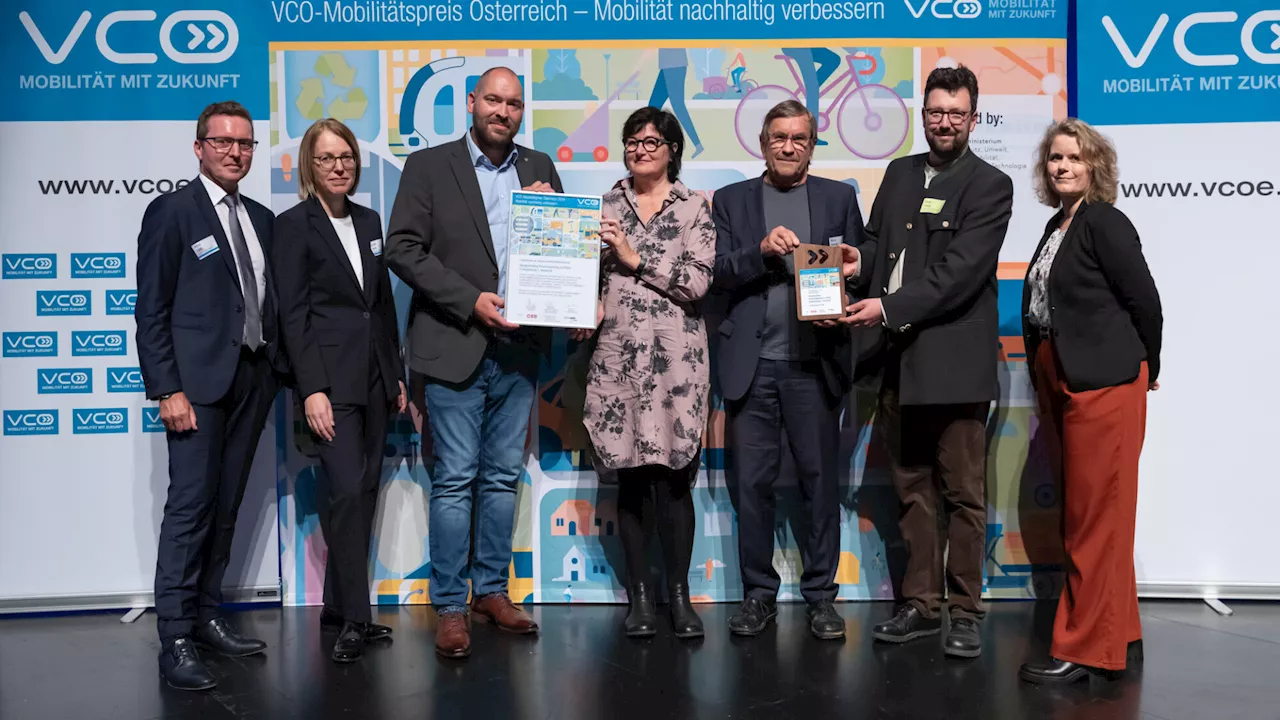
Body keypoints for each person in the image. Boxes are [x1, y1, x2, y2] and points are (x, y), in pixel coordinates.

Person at [384, 67, 563, 660]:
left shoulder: (538, 168)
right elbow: (402, 248)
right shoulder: (429, 167)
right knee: (456, 479)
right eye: (493, 99)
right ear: (470, 103)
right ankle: (451, 606)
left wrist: (561, 225)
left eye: (514, 102)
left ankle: (491, 590)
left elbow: (562, 249)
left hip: (518, 349)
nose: (503, 111)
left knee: (501, 478)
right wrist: (471, 300)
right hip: (454, 341)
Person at [841, 65, 1013, 659]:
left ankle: (964, 609)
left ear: (973, 116)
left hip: (953, 363)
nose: (944, 122)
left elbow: (957, 275)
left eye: (955, 113)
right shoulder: (899, 172)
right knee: (912, 489)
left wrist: (885, 306)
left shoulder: (991, 185)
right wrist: (849, 260)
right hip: (897, 362)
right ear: (924, 112)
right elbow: (877, 244)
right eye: (935, 111)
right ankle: (920, 602)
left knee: (962, 493)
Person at [135, 100, 288, 690]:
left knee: (225, 507)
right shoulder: (171, 212)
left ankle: (205, 616)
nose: (235, 152)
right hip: (194, 388)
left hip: (252, 379)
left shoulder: (262, 218)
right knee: (190, 508)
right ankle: (174, 635)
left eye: (245, 143)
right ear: (199, 148)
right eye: (223, 142)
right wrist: (166, 388)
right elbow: (151, 310)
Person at [711, 99, 866, 640]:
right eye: (779, 137)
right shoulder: (731, 201)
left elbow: (858, 265)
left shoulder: (838, 197)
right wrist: (759, 250)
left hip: (813, 366)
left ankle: (822, 596)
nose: (788, 146)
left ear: (812, 143)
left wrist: (852, 272)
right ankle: (758, 594)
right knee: (751, 487)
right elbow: (716, 272)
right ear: (763, 142)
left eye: (799, 137)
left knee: (819, 484)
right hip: (751, 369)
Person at [1017, 118, 1161, 685]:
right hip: (1062, 375)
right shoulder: (1059, 224)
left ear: (1095, 166)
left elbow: (1145, 301)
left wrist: (1146, 366)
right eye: (1055, 158)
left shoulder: (1104, 221)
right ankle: (1119, 632)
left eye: (1075, 158)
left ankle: (1084, 647)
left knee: (1092, 519)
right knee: (1092, 512)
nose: (1063, 167)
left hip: (1105, 381)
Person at [572, 107, 716, 639]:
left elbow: (698, 284)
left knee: (674, 481)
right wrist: (582, 304)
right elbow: (579, 276)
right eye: (632, 141)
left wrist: (634, 258)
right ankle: (640, 600)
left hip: (679, 366)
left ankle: (678, 598)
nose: (640, 150)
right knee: (630, 478)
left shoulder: (696, 207)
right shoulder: (601, 207)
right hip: (617, 363)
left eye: (652, 142)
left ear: (672, 149)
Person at [272, 118, 407, 664]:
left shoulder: (370, 220)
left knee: (365, 493)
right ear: (310, 166)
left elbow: (379, 306)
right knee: (347, 492)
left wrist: (395, 372)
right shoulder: (292, 226)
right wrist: (312, 389)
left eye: (346, 156)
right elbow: (293, 314)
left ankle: (335, 605)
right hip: (329, 384)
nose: (338, 166)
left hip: (375, 378)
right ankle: (356, 618)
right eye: (326, 158)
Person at [649, 49, 706, 158]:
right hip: (668, 64)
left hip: (674, 64)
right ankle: (654, 141)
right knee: (654, 105)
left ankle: (697, 144)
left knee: (677, 105)